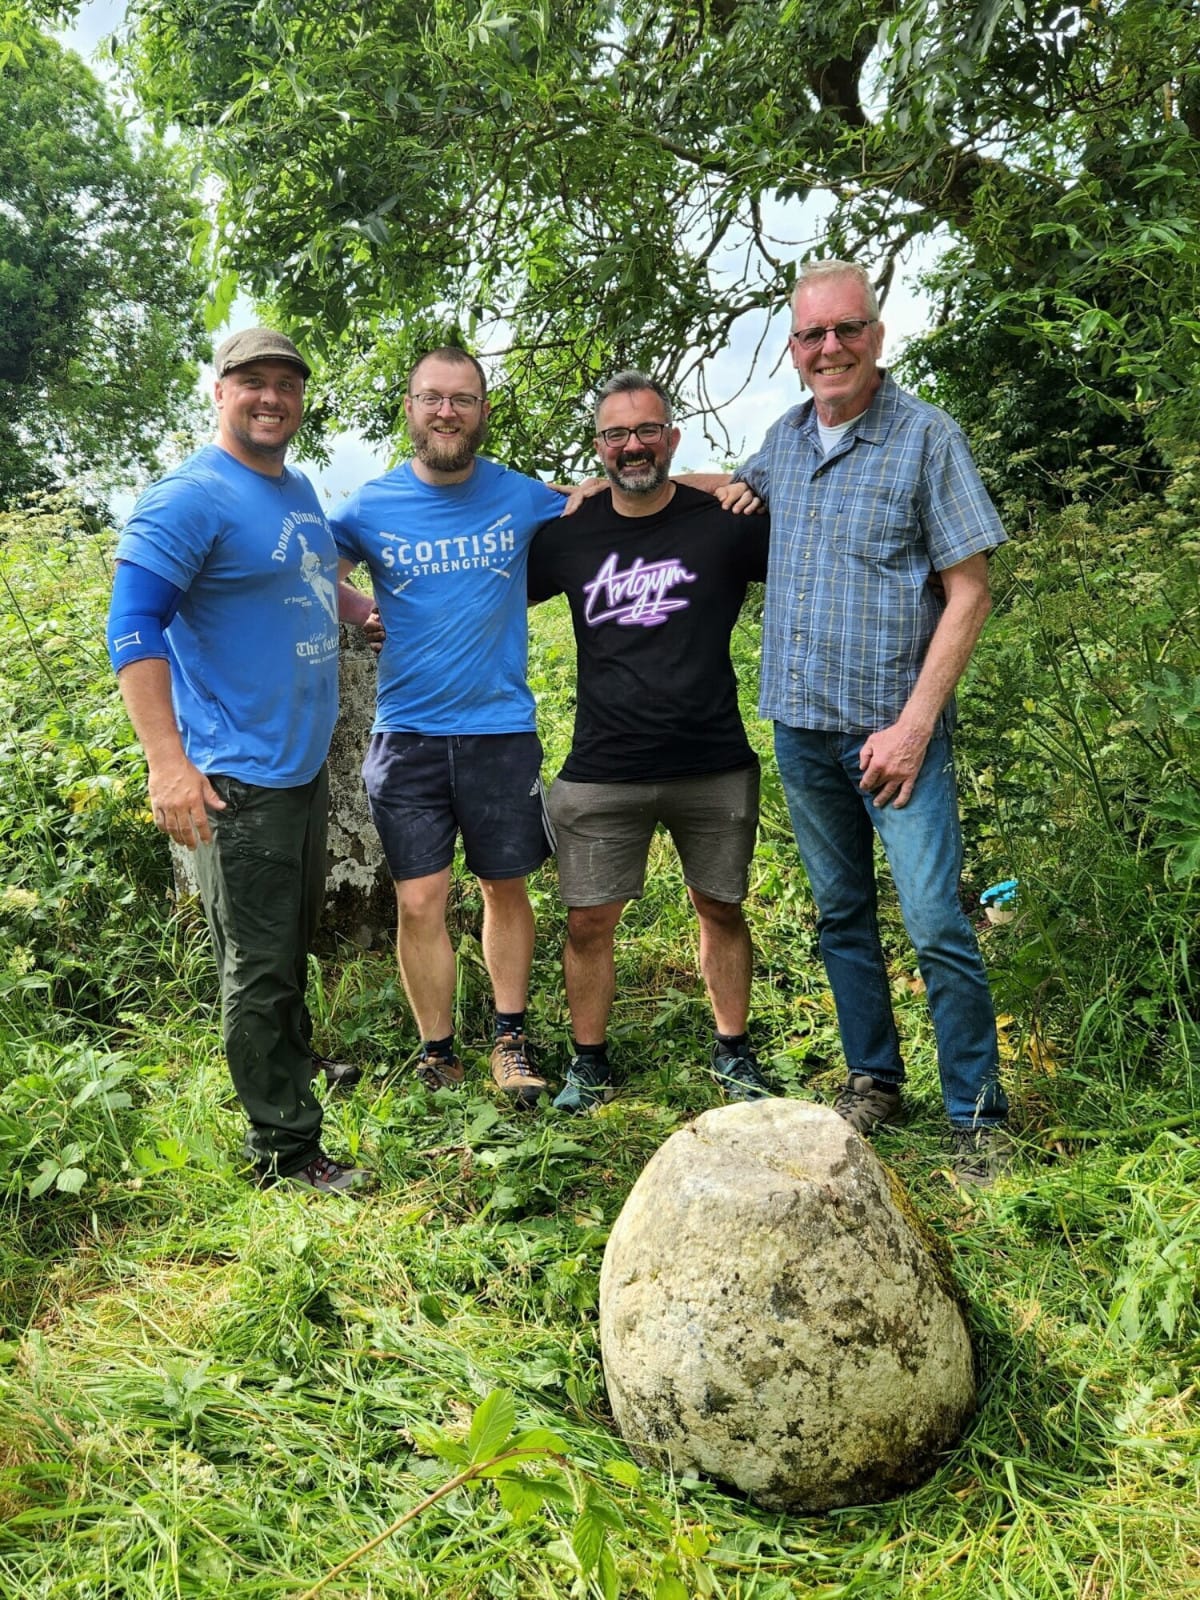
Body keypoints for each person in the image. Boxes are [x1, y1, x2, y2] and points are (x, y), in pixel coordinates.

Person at [723, 259, 1012, 1183]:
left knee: (934, 921)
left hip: (896, 738)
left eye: (847, 329)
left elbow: (969, 591)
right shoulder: (784, 441)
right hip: (803, 730)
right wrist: (619, 483)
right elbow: (725, 487)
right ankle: (874, 1078)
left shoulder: (927, 439)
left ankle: (977, 1114)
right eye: (812, 335)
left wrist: (917, 725)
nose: (830, 348)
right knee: (840, 914)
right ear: (794, 349)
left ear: (877, 337)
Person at [107, 327, 375, 1195]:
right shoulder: (187, 497)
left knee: (283, 941)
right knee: (257, 965)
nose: (271, 398)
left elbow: (296, 572)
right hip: (237, 777)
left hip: (294, 765)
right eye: (251, 382)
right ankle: (287, 1152)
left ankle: (288, 1070)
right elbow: (132, 629)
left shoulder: (292, 486)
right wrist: (167, 763)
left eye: (286, 385)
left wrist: (354, 607)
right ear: (218, 393)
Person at [527, 372, 771, 1112]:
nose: (632, 446)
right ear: (598, 446)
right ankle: (589, 1062)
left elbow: (815, 551)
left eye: (646, 430)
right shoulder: (568, 532)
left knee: (720, 907)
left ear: (672, 435)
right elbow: (485, 586)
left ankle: (733, 1051)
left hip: (714, 758)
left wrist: (730, 479)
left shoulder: (726, 519)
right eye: (615, 434)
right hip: (605, 764)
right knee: (588, 920)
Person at [331, 348, 567, 1107]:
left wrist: (732, 488)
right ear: (409, 407)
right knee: (419, 900)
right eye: (432, 398)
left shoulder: (522, 496)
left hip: (500, 730)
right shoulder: (369, 507)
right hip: (407, 736)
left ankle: (509, 1038)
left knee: (505, 888)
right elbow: (302, 568)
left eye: (462, 399)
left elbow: (611, 499)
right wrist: (362, 611)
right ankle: (439, 1052)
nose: (446, 412)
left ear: (483, 411)